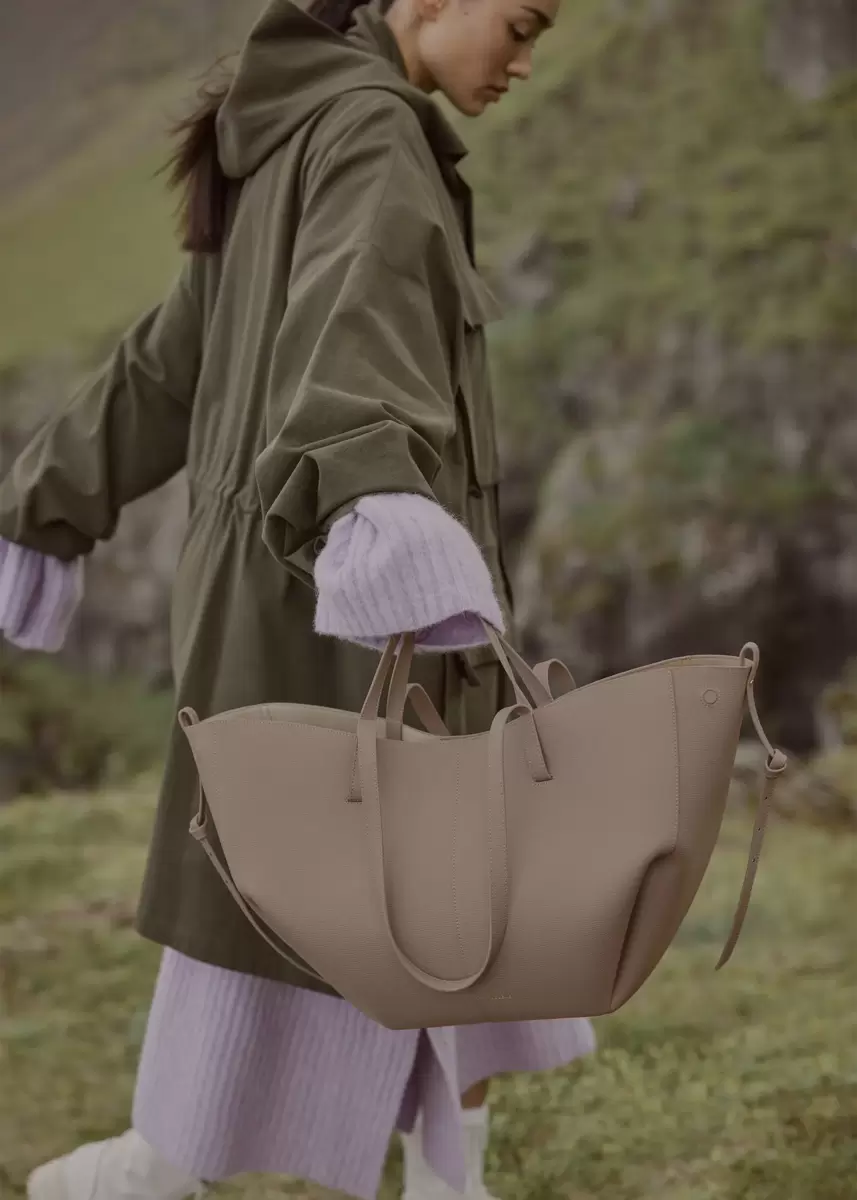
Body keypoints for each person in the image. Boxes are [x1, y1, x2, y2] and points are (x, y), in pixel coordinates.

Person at [0, 0, 597, 1196]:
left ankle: (422, 1183)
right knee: (353, 900)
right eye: (520, 24)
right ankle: (147, 1175)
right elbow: (353, 343)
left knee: (417, 900)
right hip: (352, 603)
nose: (527, 63)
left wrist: (44, 503)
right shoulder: (369, 129)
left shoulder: (292, 117)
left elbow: (166, 362)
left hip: (283, 591)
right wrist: (380, 512)